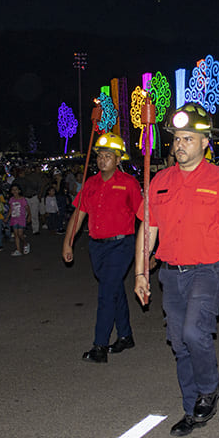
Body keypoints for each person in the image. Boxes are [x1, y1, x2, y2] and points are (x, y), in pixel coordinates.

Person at [134, 102, 219, 437]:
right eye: (177, 138)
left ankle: (209, 388)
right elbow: (148, 229)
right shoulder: (160, 180)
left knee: (193, 332)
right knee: (178, 342)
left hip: (209, 270)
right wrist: (141, 273)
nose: (180, 144)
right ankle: (191, 409)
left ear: (204, 142)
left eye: (189, 138)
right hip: (171, 273)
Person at [63, 132, 142, 363]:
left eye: (109, 156)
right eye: (100, 155)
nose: (102, 159)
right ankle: (126, 336)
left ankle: (100, 345)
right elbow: (78, 216)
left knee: (106, 293)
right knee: (114, 290)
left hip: (121, 245)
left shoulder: (128, 184)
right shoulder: (91, 183)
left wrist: (148, 250)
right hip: (97, 246)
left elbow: (144, 217)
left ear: (119, 160)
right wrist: (67, 243)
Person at [5, 183, 30, 256]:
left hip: (21, 219)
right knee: (16, 234)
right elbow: (10, 209)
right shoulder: (11, 199)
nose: (14, 191)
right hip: (14, 218)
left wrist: (29, 216)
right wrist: (7, 217)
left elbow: (27, 208)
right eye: (13, 190)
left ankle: (25, 244)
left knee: (20, 234)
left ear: (19, 191)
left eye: (16, 190)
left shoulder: (22, 199)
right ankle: (18, 250)